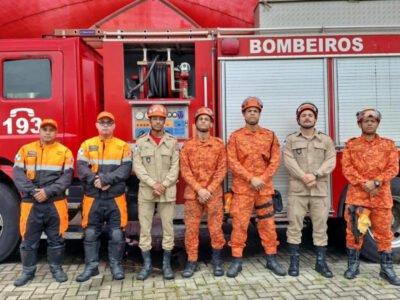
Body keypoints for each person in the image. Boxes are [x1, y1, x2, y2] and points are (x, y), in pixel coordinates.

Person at [226, 97, 286, 278]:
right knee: (239, 225)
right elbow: (232, 161)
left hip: (264, 189)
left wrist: (263, 178)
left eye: (256, 111)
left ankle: (271, 259)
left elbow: (276, 160)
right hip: (242, 189)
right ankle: (236, 261)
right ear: (244, 114)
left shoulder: (270, 135)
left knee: (268, 225)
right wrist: (250, 178)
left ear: (260, 114)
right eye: (249, 111)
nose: (252, 113)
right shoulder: (236, 137)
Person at [341, 108, 400, 285]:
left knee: (384, 233)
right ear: (360, 123)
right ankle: (353, 266)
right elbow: (347, 168)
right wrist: (364, 184)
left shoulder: (388, 145)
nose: (369, 123)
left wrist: (376, 182)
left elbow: (393, 168)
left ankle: (387, 269)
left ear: (377, 123)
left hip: (380, 198)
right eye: (366, 120)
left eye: (373, 121)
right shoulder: (351, 145)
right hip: (358, 198)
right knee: (355, 232)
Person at [13, 119, 73, 286]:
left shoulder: (64, 152)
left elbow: (66, 178)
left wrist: (47, 192)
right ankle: (27, 272)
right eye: (44, 129)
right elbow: (17, 174)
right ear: (39, 131)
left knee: (57, 239)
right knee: (28, 239)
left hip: (55, 202)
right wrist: (34, 192)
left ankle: (56, 268)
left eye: (51, 130)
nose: (48, 132)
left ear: (56, 132)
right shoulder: (25, 150)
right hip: (31, 203)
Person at [76, 111, 132, 282]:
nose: (106, 125)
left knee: (116, 233)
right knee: (91, 232)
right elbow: (81, 167)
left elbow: (125, 169)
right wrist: (96, 180)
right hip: (93, 197)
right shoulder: (86, 145)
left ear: (114, 126)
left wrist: (106, 179)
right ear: (97, 125)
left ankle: (116, 265)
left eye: (109, 123)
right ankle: (91, 267)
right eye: (102, 122)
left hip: (115, 197)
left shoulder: (123, 146)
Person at [283, 102, 336, 278]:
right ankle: (294, 263)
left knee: (320, 227)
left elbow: (331, 161)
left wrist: (315, 174)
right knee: (294, 227)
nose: (307, 117)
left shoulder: (325, 140)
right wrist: (303, 176)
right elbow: (288, 161)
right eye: (303, 115)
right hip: (298, 191)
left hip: (319, 191)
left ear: (315, 118)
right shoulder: (291, 140)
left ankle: (321, 264)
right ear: (298, 119)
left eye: (310, 115)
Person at [133, 104, 180, 280]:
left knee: (168, 229)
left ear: (164, 121)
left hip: (167, 192)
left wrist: (164, 184)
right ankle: (147, 266)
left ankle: (166, 266)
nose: (158, 121)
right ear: (150, 121)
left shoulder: (172, 142)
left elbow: (176, 167)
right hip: (147, 192)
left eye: (161, 118)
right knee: (145, 230)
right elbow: (138, 168)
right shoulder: (140, 143)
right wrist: (154, 184)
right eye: (155, 118)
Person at [180, 107, 227, 278]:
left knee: (216, 229)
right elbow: (184, 170)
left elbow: (222, 169)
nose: (203, 122)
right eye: (200, 119)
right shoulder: (188, 146)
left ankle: (217, 262)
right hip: (193, 195)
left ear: (211, 123)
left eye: (207, 119)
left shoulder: (218, 145)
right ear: (195, 123)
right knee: (191, 230)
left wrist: (209, 189)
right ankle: (192, 261)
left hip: (213, 195)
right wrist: (200, 189)